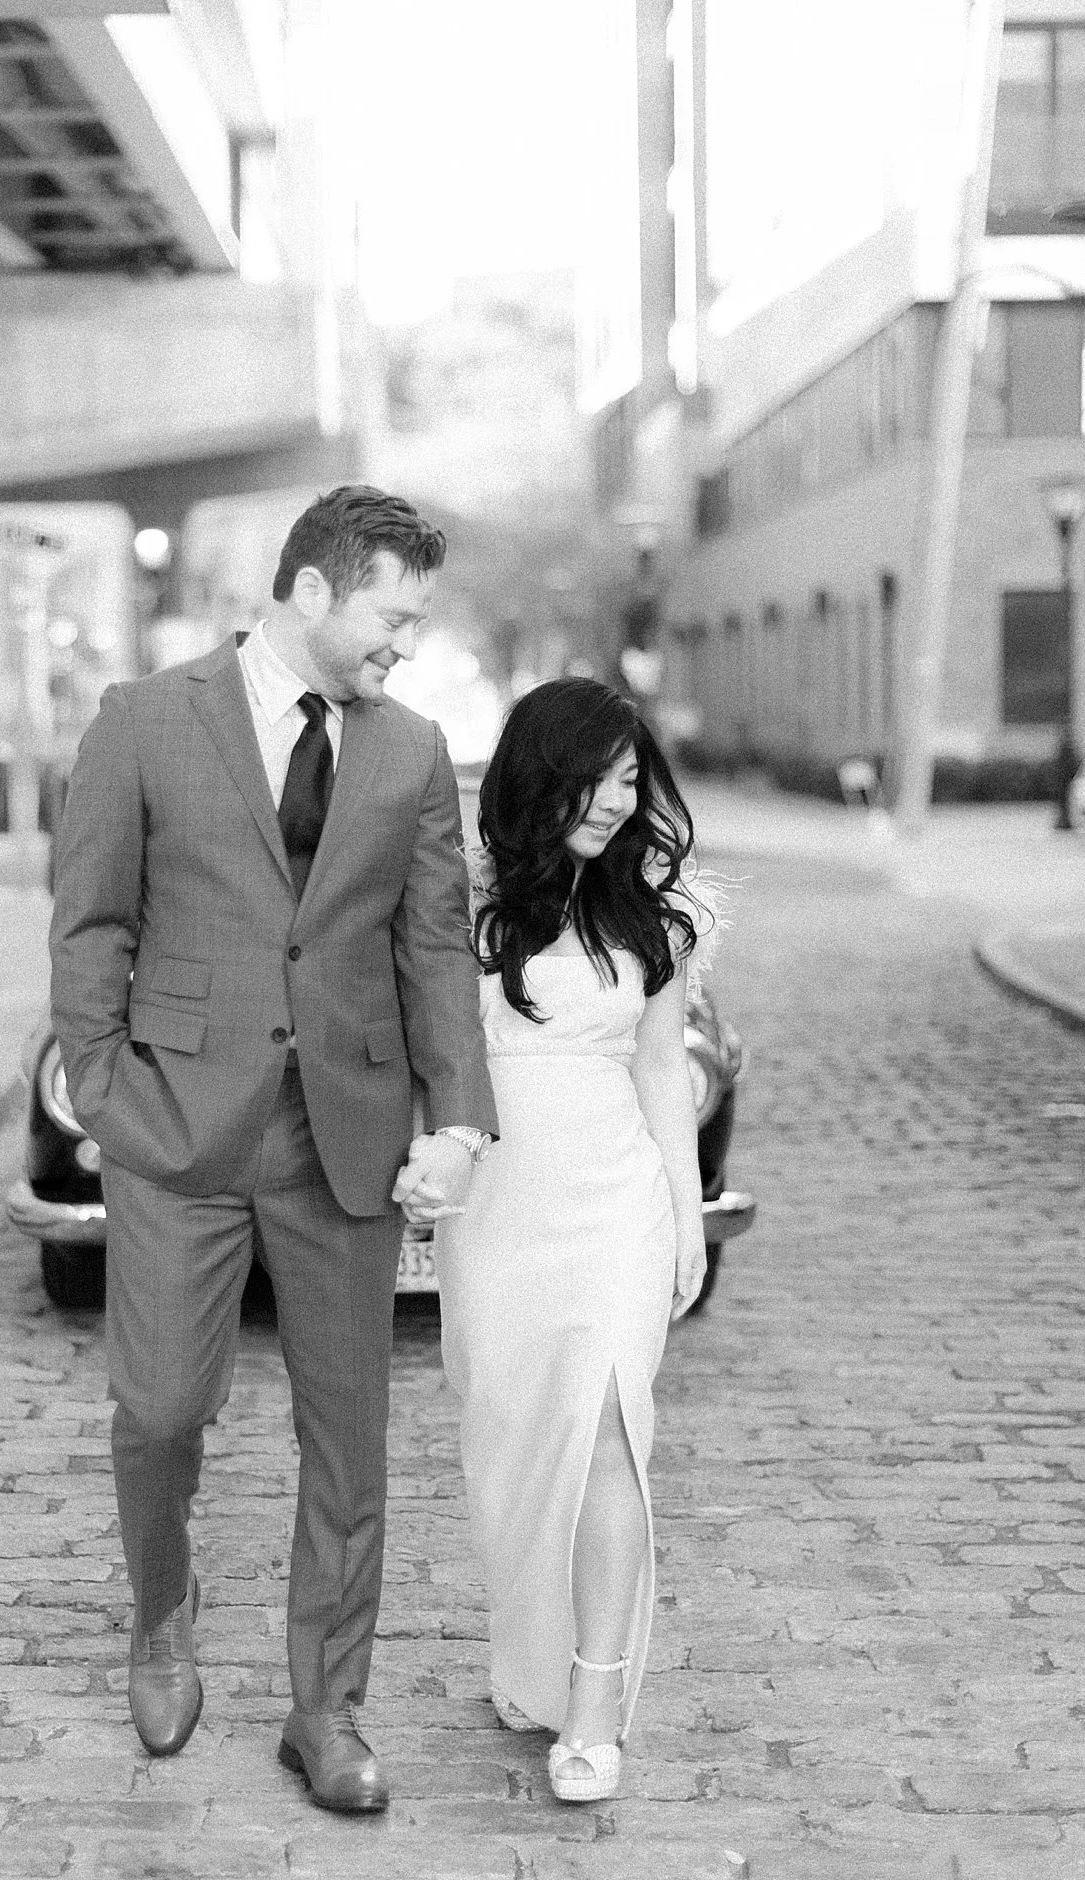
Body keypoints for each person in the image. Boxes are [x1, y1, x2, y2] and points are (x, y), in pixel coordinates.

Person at [49, 486, 498, 1814]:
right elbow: (91, 925)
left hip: (341, 1138)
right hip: (177, 1131)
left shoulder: (411, 752)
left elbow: (430, 945)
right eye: (391, 614)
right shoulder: (145, 721)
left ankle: (328, 1709)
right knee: (160, 1408)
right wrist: (104, 1087)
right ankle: (161, 1612)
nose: (403, 644)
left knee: (347, 1441)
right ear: (313, 590)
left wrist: (458, 1113)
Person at [425, 677, 711, 1805]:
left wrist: (687, 1218)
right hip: (496, 1207)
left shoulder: (655, 914)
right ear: (542, 775)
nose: (616, 799)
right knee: (508, 1440)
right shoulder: (461, 906)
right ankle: (531, 1660)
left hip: (614, 1205)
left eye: (633, 779)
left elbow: (659, 1072)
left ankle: (593, 1708)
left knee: (606, 1437)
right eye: (598, 776)